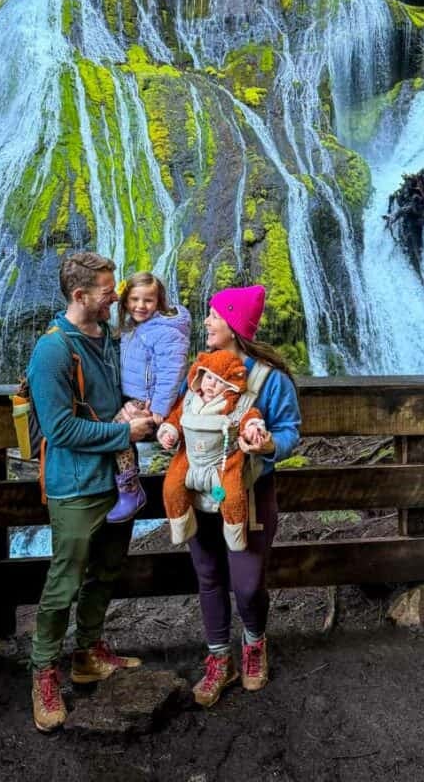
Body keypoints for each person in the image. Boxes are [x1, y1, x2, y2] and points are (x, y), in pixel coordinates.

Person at [27, 252, 155, 733]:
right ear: (80, 296)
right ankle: (43, 672)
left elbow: (108, 399)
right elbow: (59, 430)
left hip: (118, 481)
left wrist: (130, 408)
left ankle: (88, 653)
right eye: (107, 289)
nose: (116, 294)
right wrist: (126, 434)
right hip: (76, 486)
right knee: (64, 581)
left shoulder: (108, 338)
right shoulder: (54, 350)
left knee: (105, 570)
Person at [160, 284, 301, 708]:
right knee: (208, 577)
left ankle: (254, 642)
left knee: (247, 581)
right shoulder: (200, 371)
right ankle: (219, 657)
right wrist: (168, 432)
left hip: (249, 495)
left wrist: (268, 444)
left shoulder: (269, 380)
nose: (206, 322)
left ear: (235, 325)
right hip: (199, 493)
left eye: (215, 316)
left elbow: (290, 430)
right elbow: (182, 415)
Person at [158, 349, 268, 551]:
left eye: (219, 381)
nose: (211, 384)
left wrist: (253, 427)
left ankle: (236, 535)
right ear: (200, 375)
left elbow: (249, 416)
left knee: (233, 495)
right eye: (208, 377)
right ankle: (181, 526)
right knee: (172, 486)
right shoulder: (190, 399)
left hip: (224, 462)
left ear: (230, 386)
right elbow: (174, 418)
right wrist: (169, 431)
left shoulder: (235, 404)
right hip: (190, 457)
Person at [108, 271, 191, 523]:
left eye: (148, 301)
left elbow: (172, 369)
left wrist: (160, 406)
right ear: (125, 301)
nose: (140, 306)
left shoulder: (165, 330)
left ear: (160, 302)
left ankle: (130, 489)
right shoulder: (134, 327)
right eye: (134, 300)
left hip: (147, 401)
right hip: (133, 396)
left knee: (116, 430)